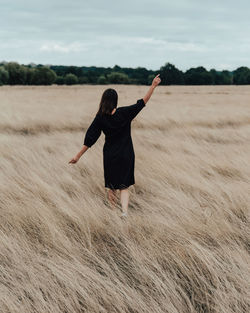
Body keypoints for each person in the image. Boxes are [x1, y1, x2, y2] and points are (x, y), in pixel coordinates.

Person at [69, 74, 161, 218]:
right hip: (126, 154)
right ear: (116, 100)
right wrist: (153, 86)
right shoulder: (124, 113)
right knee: (124, 185)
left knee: (112, 186)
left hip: (110, 155)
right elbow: (142, 103)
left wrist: (77, 156)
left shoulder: (100, 117)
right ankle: (124, 212)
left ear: (103, 101)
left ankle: (112, 212)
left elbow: (90, 138)